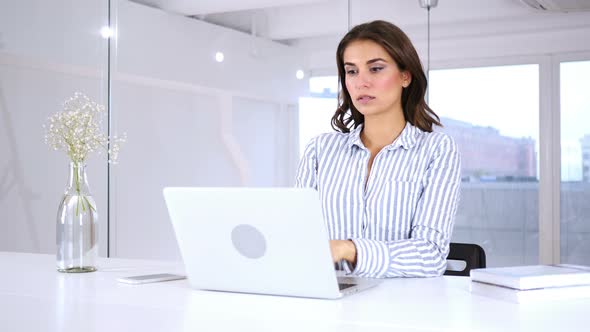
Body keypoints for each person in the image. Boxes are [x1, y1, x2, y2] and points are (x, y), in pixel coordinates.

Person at [295, 20, 461, 278]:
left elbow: (431, 256)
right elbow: (298, 239)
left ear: (405, 76)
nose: (361, 82)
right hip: (328, 299)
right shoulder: (320, 149)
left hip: (402, 308)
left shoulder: (436, 150)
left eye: (375, 69)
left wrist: (350, 250)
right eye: (351, 71)